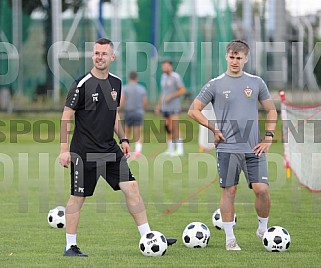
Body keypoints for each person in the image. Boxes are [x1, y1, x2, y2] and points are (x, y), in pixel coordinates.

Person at [59, 38, 176, 257]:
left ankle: (148, 236)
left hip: (109, 150)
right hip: (84, 152)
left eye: (104, 54)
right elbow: (66, 116)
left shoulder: (116, 83)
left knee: (132, 187)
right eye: (96, 53)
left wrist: (123, 139)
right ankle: (70, 246)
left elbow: (114, 114)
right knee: (78, 197)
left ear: (112, 57)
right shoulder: (81, 83)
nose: (99, 57)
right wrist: (64, 150)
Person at [188, 40, 277, 251]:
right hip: (227, 148)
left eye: (239, 57)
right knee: (229, 191)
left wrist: (269, 136)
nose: (235, 61)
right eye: (232, 56)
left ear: (246, 59)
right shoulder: (215, 84)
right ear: (226, 57)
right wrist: (214, 129)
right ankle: (230, 238)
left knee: (261, 189)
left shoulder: (256, 82)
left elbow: (272, 110)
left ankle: (262, 229)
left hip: (254, 147)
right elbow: (193, 110)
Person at [155, 60, 186, 156]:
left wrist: (171, 96)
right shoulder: (163, 77)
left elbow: (182, 90)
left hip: (174, 106)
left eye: (166, 66)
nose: (164, 68)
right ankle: (170, 149)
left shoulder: (175, 77)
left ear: (171, 67)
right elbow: (163, 93)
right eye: (163, 66)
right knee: (168, 127)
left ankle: (180, 149)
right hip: (165, 107)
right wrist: (159, 105)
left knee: (175, 126)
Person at [119, 71, 147, 160]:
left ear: (129, 78)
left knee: (126, 132)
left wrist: (120, 110)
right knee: (138, 133)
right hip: (138, 113)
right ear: (137, 78)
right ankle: (138, 152)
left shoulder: (125, 88)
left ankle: (126, 151)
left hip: (128, 112)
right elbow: (144, 102)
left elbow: (122, 101)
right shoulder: (142, 89)